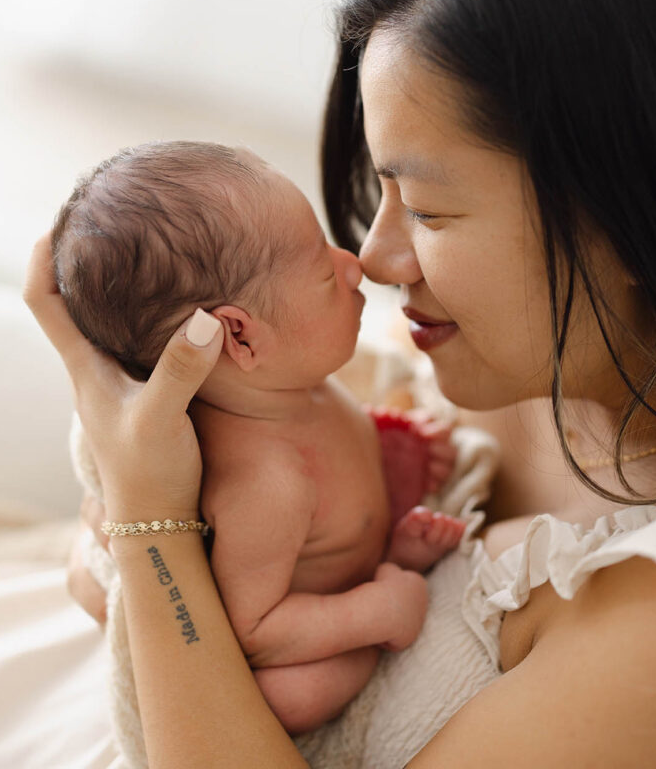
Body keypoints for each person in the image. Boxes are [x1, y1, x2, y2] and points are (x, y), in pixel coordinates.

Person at [26, 0, 656, 767]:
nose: (373, 257)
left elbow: (149, 561)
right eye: (384, 190)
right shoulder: (503, 373)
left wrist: (145, 524)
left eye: (432, 212)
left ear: (634, 221)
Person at [51, 139, 465, 733]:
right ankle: (385, 581)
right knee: (293, 696)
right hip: (290, 629)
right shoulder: (267, 480)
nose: (355, 263)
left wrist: (399, 445)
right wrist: (373, 613)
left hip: (348, 554)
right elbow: (254, 631)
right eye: (326, 273)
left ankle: (389, 552)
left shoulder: (298, 385)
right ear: (241, 338)